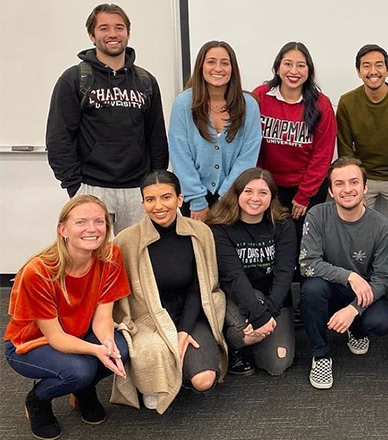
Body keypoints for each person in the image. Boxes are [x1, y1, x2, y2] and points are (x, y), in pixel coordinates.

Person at [4, 195, 130, 440]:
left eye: (99, 222)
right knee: (80, 370)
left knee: (121, 349)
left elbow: (103, 316)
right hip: (30, 344)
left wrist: (106, 343)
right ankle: (38, 400)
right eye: (81, 222)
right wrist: (96, 351)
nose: (92, 229)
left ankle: (83, 391)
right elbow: (56, 337)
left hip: (78, 332)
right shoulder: (38, 272)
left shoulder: (110, 256)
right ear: (63, 229)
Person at [112, 171, 228, 414]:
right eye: (150, 199)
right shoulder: (126, 240)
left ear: (179, 199)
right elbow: (122, 299)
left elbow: (200, 288)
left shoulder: (200, 233)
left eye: (166, 197)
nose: (158, 206)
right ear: (142, 203)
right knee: (153, 380)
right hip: (148, 319)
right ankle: (160, 375)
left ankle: (179, 369)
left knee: (204, 380)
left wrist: (184, 331)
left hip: (190, 314)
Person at [46, 4, 168, 233]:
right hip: (92, 188)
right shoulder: (74, 79)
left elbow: (156, 138)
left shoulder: (146, 81)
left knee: (136, 262)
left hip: (137, 190)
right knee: (95, 261)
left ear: (128, 33)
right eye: (104, 28)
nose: (112, 34)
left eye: (119, 27)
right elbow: (59, 138)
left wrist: (153, 186)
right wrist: (76, 187)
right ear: (92, 35)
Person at [299, 157, 388, 389]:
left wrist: (354, 309)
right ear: (331, 190)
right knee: (311, 288)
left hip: (364, 293)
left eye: (354, 182)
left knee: (381, 322)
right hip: (328, 289)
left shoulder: (382, 227)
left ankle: (356, 328)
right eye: (339, 184)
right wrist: (349, 276)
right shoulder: (317, 215)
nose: (347, 189)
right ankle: (321, 355)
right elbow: (307, 263)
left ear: (365, 187)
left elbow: (383, 278)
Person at [206, 168, 297, 377]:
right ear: (237, 194)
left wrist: (269, 313)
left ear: (272, 197)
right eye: (248, 191)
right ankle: (234, 343)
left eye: (263, 193)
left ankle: (256, 338)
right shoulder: (220, 227)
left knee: (278, 363)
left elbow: (284, 273)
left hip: (273, 299)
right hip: (237, 296)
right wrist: (258, 316)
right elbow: (234, 276)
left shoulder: (283, 224)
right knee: (243, 334)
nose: (255, 198)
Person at [337, 44, 388, 256]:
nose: (373, 71)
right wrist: (356, 186)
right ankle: (365, 279)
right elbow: (346, 150)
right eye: (366, 66)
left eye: (379, 65)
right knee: (359, 231)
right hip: (363, 178)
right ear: (358, 71)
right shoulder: (347, 102)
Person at [252, 42, 337, 242]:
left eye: (301, 65)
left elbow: (322, 156)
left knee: (303, 242)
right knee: (270, 240)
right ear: (277, 67)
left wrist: (303, 195)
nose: (293, 71)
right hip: (269, 185)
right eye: (288, 64)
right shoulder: (261, 96)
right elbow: (250, 146)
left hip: (308, 188)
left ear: (309, 70)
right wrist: (261, 186)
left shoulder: (321, 104)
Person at [169, 41, 262, 221]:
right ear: (201, 66)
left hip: (235, 196)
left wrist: (226, 199)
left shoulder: (249, 105)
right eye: (211, 62)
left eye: (225, 63)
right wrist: (197, 200)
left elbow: (248, 156)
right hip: (193, 197)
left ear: (232, 68)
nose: (218, 68)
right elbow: (180, 155)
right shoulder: (183, 103)